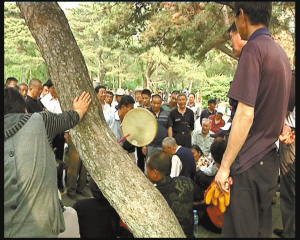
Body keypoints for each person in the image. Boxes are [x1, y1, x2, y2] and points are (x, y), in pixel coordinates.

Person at [214, 3, 292, 238]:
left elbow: (245, 114)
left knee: (241, 232)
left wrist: (225, 166)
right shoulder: (281, 55)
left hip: (248, 161)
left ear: (242, 16)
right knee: (260, 231)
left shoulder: (253, 50)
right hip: (268, 161)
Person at [4, 87, 92, 237]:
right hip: (42, 229)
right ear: (24, 109)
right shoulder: (40, 120)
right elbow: (69, 119)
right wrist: (79, 110)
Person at [146, 150, 203, 238]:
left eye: (148, 169)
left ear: (155, 173)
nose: (147, 172)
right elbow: (201, 198)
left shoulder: (153, 194)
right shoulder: (186, 182)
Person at [273, 60, 295, 238]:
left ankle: (290, 231)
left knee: (289, 190)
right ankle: (289, 227)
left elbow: (283, 112)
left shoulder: (294, 79)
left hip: (290, 139)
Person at [194, 139, 228, 235]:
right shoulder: (239, 173)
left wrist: (194, 203)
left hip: (218, 223)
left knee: (196, 209)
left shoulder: (219, 181)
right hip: (234, 222)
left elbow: (206, 200)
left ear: (216, 162)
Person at [142, 94, 171, 174]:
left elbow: (169, 127)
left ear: (161, 103)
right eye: (154, 103)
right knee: (149, 165)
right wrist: (144, 144)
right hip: (151, 144)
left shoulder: (166, 113)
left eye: (158, 103)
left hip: (163, 145)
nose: (156, 105)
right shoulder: (147, 113)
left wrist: (169, 142)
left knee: (162, 166)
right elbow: (143, 129)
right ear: (151, 102)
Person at [105, 94, 136, 161]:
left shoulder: (132, 122)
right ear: (123, 107)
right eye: (131, 109)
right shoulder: (109, 119)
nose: (132, 111)